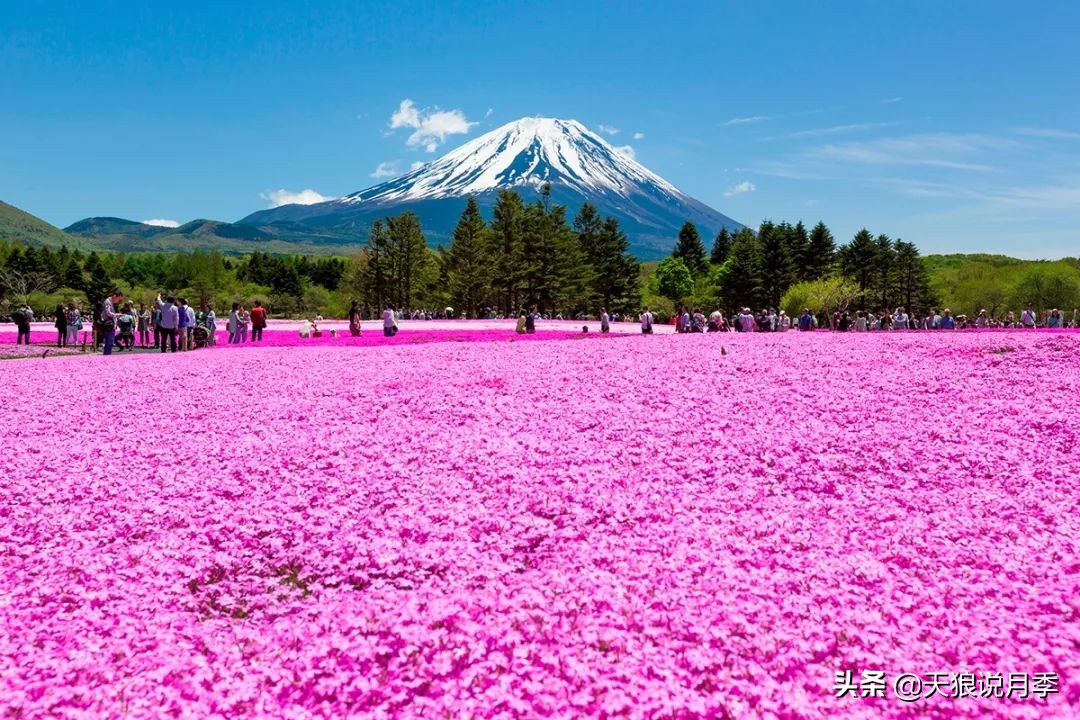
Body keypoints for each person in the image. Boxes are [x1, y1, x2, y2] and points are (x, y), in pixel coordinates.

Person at [100, 289, 122, 356]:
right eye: (118, 299)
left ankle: (108, 355)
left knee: (110, 341)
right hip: (108, 324)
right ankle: (107, 355)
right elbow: (108, 313)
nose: (118, 301)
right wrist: (117, 315)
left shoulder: (111, 302)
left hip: (111, 324)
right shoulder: (108, 302)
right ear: (115, 296)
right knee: (109, 341)